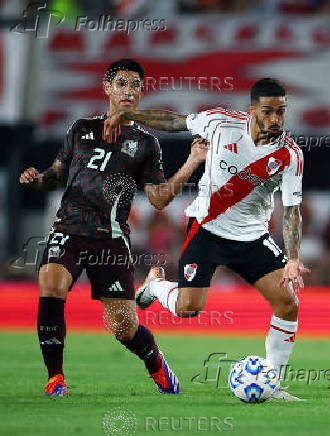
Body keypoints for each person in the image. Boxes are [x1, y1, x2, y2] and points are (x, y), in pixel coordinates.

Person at [104, 78, 310, 401]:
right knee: (189, 308)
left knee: (288, 304)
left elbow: (292, 211)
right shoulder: (220, 124)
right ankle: (156, 285)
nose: (275, 120)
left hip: (252, 237)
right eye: (268, 111)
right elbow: (174, 122)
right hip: (207, 228)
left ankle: (274, 384)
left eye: (281, 112)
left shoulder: (290, 155)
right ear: (252, 110)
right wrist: (133, 116)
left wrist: (294, 258)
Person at [19, 58, 208, 396]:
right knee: (51, 283)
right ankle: (55, 378)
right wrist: (38, 180)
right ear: (106, 87)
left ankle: (156, 366)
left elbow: (160, 199)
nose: (128, 90)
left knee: (124, 327)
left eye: (135, 85)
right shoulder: (80, 129)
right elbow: (57, 176)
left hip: (110, 240)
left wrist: (193, 161)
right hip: (69, 229)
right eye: (121, 83)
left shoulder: (147, 144)